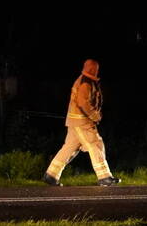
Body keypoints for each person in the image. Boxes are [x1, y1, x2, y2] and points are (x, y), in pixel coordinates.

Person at [43, 59, 121, 187]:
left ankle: (51, 175)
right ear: (93, 70)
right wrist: (94, 115)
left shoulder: (84, 80)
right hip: (82, 122)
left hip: (75, 122)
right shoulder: (86, 83)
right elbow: (83, 102)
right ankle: (104, 177)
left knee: (68, 149)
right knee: (95, 144)